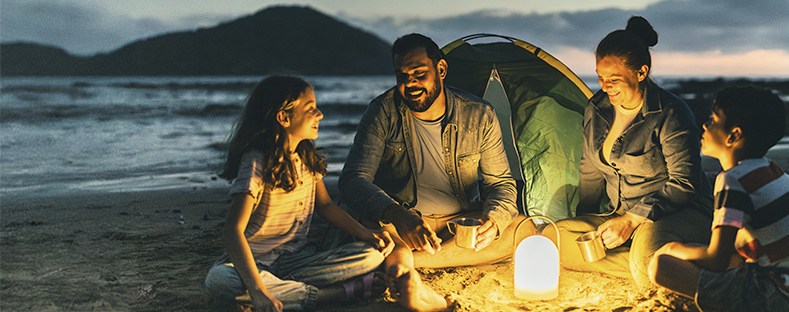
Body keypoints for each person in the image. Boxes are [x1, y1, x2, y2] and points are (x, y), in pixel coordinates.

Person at [338, 33, 522, 311]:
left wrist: (493, 220)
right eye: (402, 76)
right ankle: (409, 267)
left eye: (419, 73)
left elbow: (502, 184)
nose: (410, 83)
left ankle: (406, 263)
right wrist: (398, 215)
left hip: (455, 225)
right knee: (375, 229)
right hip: (399, 224)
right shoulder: (382, 112)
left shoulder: (479, 114)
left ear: (441, 70)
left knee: (522, 229)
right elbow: (353, 180)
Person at [204, 75, 395, 312]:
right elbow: (233, 231)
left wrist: (366, 233)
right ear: (284, 117)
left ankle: (282, 289)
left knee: (372, 255)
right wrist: (257, 289)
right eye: (311, 109)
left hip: (298, 261)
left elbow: (325, 206)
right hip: (252, 264)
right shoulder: (256, 161)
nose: (320, 115)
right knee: (220, 281)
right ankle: (332, 294)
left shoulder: (305, 158)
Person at [555, 16, 714, 288]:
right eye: (600, 78)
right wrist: (584, 218)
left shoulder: (670, 113)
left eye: (614, 79)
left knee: (644, 258)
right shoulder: (596, 108)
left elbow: (685, 184)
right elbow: (590, 169)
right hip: (620, 214)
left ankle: (654, 261)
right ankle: (653, 265)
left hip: (675, 212)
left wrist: (632, 219)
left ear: (641, 72)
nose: (605, 87)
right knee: (554, 238)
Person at [648, 86, 789, 311]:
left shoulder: (732, 180)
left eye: (714, 119)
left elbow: (716, 260)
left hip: (787, 298)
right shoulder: (769, 169)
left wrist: (673, 248)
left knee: (661, 265)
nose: (706, 125)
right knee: (725, 256)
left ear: (734, 135)